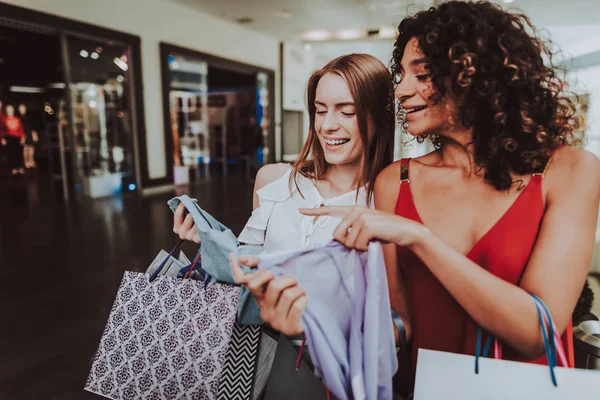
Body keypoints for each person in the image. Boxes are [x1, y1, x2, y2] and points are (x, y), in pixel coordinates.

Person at [236, 0, 600, 393]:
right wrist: (312, 325)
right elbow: (398, 324)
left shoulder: (569, 170)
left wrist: (419, 238)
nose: (401, 89)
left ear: (478, 77)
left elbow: (537, 331)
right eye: (401, 75)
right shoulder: (397, 181)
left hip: (521, 388)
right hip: (419, 388)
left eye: (422, 74)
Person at [3, 104, 26, 175]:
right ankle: (12, 168)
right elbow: (2, 130)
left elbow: (21, 129)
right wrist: (2, 138)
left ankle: (19, 167)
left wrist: (22, 137)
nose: (10, 112)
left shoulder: (17, 119)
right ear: (6, 111)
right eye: (8, 111)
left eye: (11, 110)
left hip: (17, 138)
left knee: (19, 153)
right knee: (11, 154)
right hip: (9, 138)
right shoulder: (4, 119)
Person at [19, 104, 38, 169]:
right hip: (23, 134)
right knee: (25, 148)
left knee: (31, 147)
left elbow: (32, 126)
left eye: (23, 108)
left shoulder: (29, 117)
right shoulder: (18, 117)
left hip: (29, 133)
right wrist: (21, 136)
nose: (22, 110)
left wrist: (34, 134)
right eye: (20, 109)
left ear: (25, 109)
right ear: (19, 110)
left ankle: (31, 160)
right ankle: (26, 162)